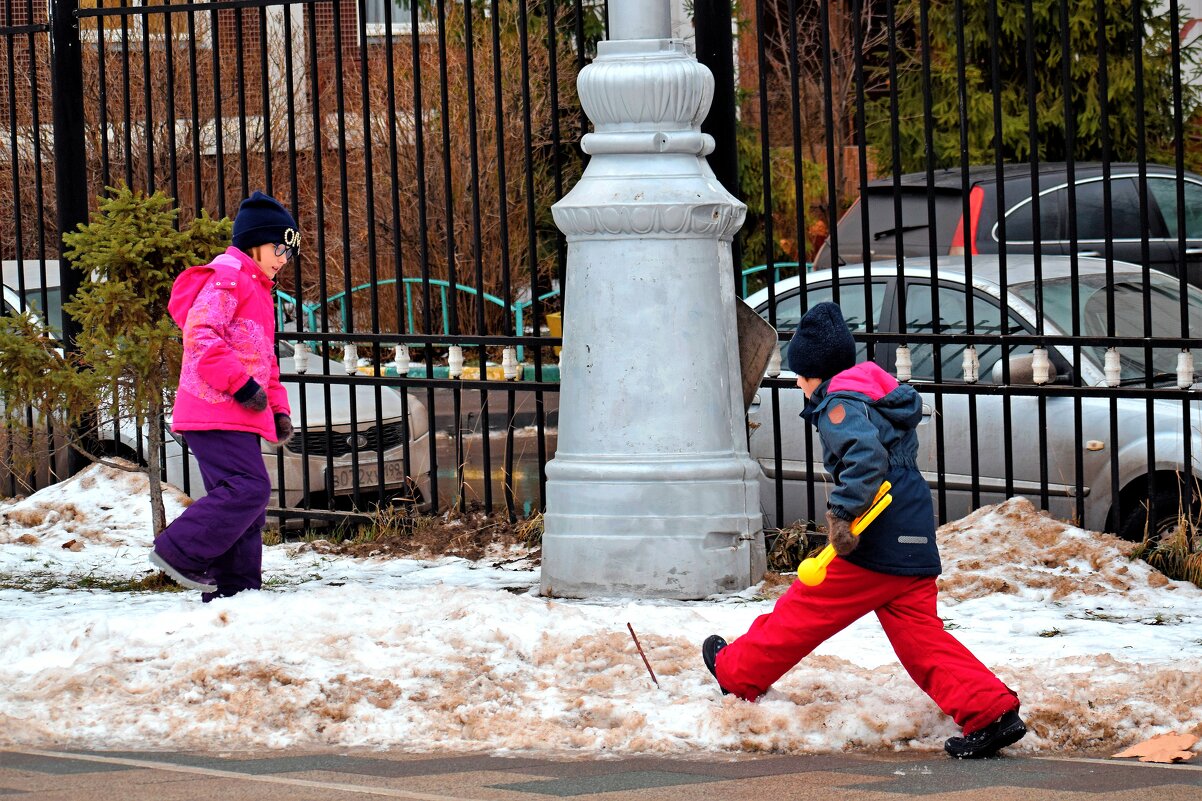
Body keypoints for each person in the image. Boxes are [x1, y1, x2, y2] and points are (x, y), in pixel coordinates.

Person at [702, 301, 1026, 759]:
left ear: (816, 373)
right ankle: (990, 711)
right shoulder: (878, 391)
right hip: (911, 523)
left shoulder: (839, 404)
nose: (798, 383)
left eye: (801, 375)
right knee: (921, 635)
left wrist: (842, 515)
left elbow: (864, 459)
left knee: (804, 608)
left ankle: (737, 672)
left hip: (874, 530)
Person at [149, 191, 299, 602]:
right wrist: (241, 385)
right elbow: (200, 334)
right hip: (213, 408)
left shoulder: (257, 289)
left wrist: (277, 408)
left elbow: (264, 359)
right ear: (256, 240)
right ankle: (178, 552)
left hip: (238, 412)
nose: (284, 259)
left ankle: (236, 592)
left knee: (247, 507)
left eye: (290, 252)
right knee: (249, 489)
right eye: (280, 248)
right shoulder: (227, 278)